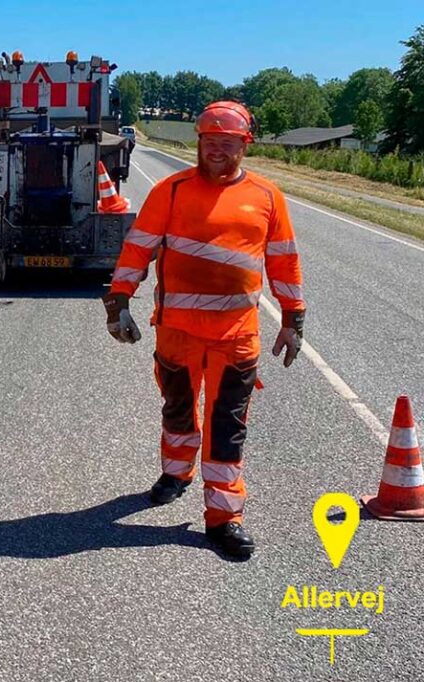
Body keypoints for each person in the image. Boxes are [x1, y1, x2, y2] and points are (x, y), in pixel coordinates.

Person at [102, 100, 306, 559]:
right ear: (198, 142)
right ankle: (176, 475)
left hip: (237, 337)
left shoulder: (267, 197)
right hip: (176, 332)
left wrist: (293, 318)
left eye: (227, 143)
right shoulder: (170, 192)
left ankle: (224, 519)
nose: (216, 150)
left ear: (244, 146)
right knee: (177, 411)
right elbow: (137, 250)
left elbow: (284, 260)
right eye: (209, 141)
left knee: (226, 427)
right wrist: (118, 303)